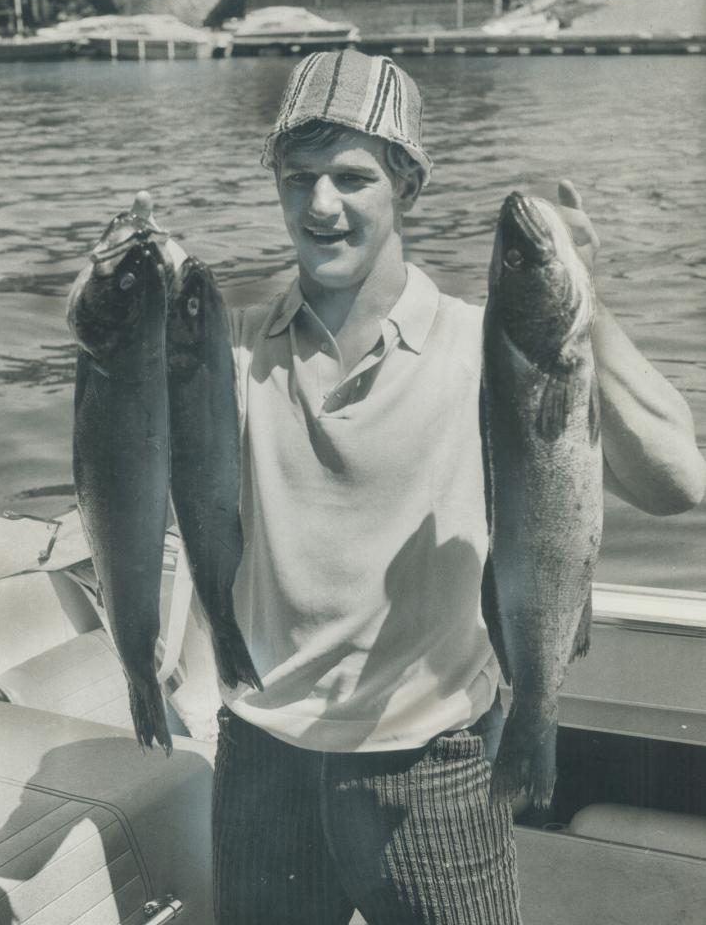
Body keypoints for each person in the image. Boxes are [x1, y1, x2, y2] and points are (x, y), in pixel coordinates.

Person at [207, 49, 706, 925]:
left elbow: (674, 484)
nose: (321, 206)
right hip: (262, 754)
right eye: (299, 179)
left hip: (431, 765)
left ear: (407, 186)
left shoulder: (489, 345)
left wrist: (581, 302)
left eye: (353, 178)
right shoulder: (234, 345)